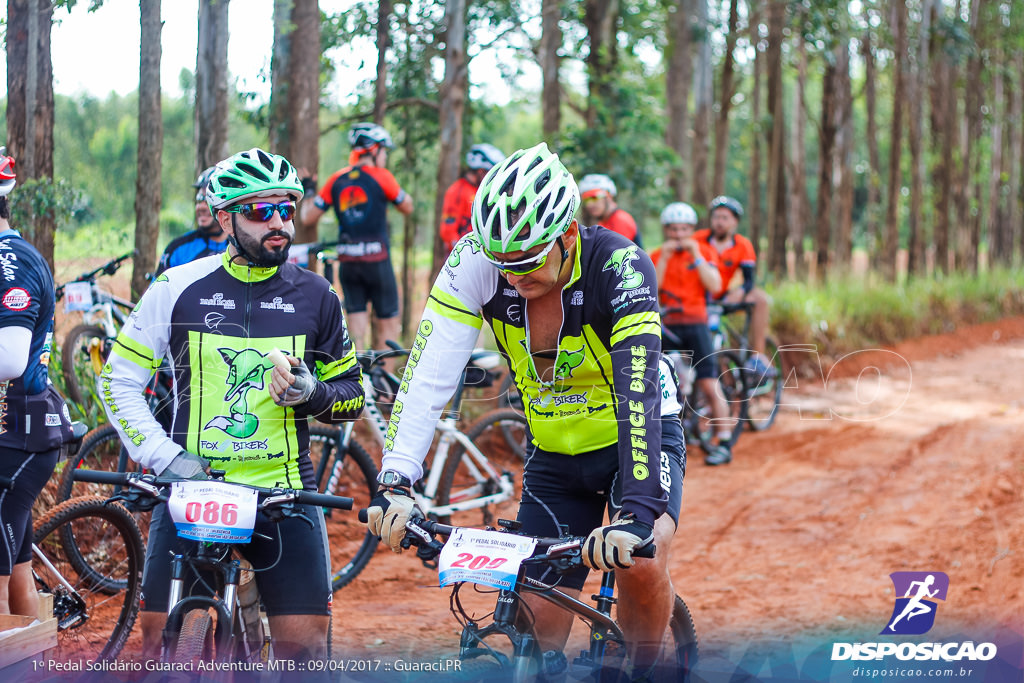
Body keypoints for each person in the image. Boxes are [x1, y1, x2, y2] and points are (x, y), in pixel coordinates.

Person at [365, 143, 686, 679]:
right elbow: (429, 374)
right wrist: (396, 479)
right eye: (502, 263)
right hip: (555, 450)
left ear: (566, 235)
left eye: (528, 260)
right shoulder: (474, 261)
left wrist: (635, 513)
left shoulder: (620, 264)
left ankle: (646, 669)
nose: (513, 276)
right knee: (535, 629)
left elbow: (640, 392)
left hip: (636, 435)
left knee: (643, 561)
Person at [98, 148, 365, 660]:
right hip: (192, 492)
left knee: (305, 655)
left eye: (286, 209)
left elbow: (352, 397)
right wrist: (166, 458)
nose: (281, 223)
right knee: (159, 644)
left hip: (285, 493)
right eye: (261, 212)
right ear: (225, 218)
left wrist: (312, 396)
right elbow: (118, 381)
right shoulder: (177, 287)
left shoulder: (317, 295)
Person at [0, 148, 73, 617]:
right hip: (16, 429)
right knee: (18, 561)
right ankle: (30, 657)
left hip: (21, 431)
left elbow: (8, 359)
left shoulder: (11, 258)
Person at [299, 122, 413, 352]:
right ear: (373, 150)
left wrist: (309, 189)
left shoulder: (337, 179)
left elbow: (307, 217)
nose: (385, 157)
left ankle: (363, 382)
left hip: (349, 263)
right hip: (378, 262)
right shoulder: (383, 177)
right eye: (384, 151)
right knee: (388, 325)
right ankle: (385, 386)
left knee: (357, 328)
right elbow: (407, 206)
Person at [650, 202, 734, 466]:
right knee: (652, 378)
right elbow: (653, 288)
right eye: (673, 230)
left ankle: (724, 439)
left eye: (684, 229)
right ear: (666, 230)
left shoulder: (704, 251)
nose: (678, 235)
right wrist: (663, 257)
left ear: (692, 230)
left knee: (709, 381)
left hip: (696, 322)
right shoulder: (656, 254)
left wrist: (696, 254)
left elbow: (715, 285)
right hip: (668, 323)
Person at [695, 195, 774, 380]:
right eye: (716, 217)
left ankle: (757, 356)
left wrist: (740, 292)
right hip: (700, 297)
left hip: (725, 295)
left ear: (734, 222)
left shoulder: (742, 245)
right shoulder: (698, 240)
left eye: (725, 218)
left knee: (760, 299)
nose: (719, 222)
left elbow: (749, 280)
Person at [155, 166, 228, 276]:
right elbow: (158, 291)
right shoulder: (177, 249)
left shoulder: (241, 248)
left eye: (209, 200)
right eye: (199, 199)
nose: (201, 207)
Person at [439, 143, 505, 252]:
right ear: (481, 171)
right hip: (464, 255)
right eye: (491, 173)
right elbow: (448, 230)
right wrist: (462, 252)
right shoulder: (457, 191)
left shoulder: (482, 191)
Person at [578, 172, 643, 247]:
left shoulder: (620, 220)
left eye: (594, 197)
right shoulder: (603, 222)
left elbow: (615, 253)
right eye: (586, 199)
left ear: (609, 196)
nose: (589, 204)